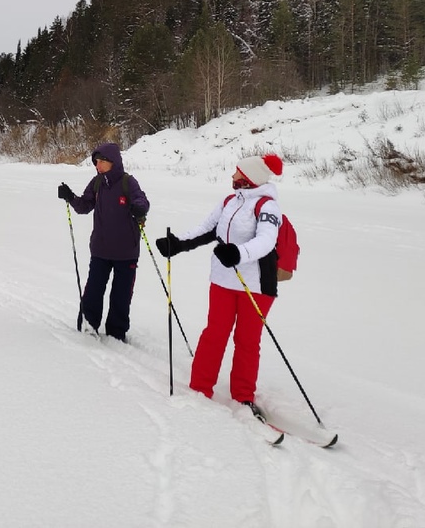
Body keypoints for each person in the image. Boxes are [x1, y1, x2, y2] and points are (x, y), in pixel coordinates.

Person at [155, 153, 284, 412]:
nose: (233, 176)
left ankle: (243, 395)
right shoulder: (229, 201)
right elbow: (207, 229)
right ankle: (200, 387)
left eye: (237, 172)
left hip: (256, 285)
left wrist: (238, 253)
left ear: (248, 178)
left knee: (247, 341)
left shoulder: (267, 206)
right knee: (214, 333)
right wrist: (178, 243)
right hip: (223, 281)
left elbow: (266, 241)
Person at [56, 141, 150, 341]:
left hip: (126, 252)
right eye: (95, 162)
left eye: (100, 162)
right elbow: (84, 206)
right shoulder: (97, 183)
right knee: (93, 290)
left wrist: (140, 208)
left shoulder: (128, 182)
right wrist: (70, 197)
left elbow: (141, 199)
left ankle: (117, 333)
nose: (97, 166)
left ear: (112, 162)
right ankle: (89, 327)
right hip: (100, 249)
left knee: (121, 295)